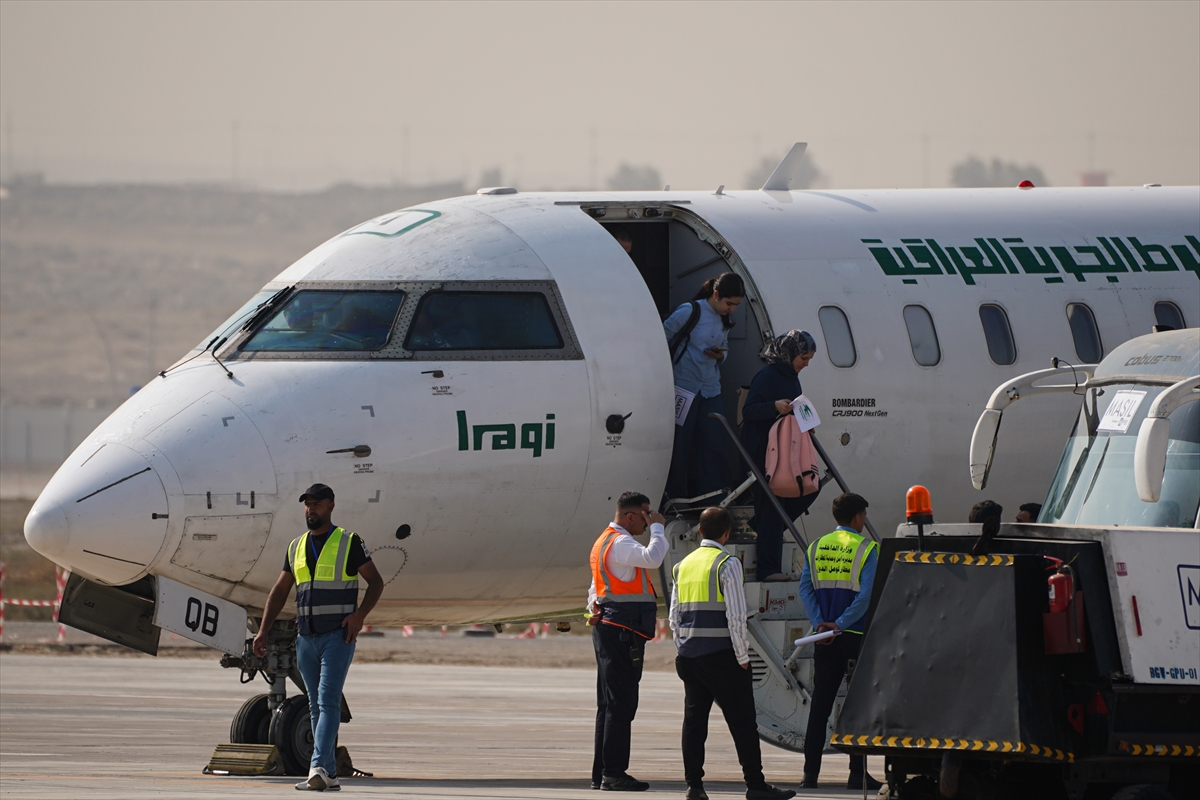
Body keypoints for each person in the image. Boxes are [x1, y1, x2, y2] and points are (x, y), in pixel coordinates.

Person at [253, 484, 384, 792]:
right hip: (306, 638)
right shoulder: (296, 546)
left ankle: (319, 768)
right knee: (315, 705)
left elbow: (376, 582)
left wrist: (360, 615)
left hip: (337, 637)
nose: (311, 509)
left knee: (327, 702)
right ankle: (330, 776)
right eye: (308, 504)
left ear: (331, 506)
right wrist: (263, 631)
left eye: (317, 504)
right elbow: (280, 591)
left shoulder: (349, 542)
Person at [670, 507, 797, 800]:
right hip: (722, 657)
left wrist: (683, 648)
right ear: (727, 533)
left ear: (699, 531)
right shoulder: (726, 564)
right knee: (742, 723)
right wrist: (742, 657)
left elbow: (674, 617)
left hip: (690, 656)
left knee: (694, 723)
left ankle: (694, 786)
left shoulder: (682, 565)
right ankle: (755, 784)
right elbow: (736, 616)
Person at [797, 493, 881, 791]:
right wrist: (841, 625)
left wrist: (823, 624)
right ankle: (857, 773)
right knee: (856, 705)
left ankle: (810, 775)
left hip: (825, 639)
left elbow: (805, 589)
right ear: (859, 516)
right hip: (854, 635)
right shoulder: (867, 548)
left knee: (821, 705)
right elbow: (867, 594)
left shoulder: (815, 547)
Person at [588, 492, 668, 791]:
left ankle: (603, 773)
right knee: (621, 704)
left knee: (608, 704)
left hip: (610, 628)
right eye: (646, 515)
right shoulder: (621, 543)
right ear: (631, 516)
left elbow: (596, 586)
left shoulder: (603, 541)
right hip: (621, 631)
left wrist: (593, 609)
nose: (648, 522)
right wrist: (660, 527)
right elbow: (654, 558)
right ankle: (614, 773)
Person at [741, 330, 821, 581]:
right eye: (804, 358)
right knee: (773, 508)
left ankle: (766, 530)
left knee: (810, 488)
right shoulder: (767, 376)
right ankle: (767, 569)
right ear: (790, 354)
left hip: (787, 451)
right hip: (764, 452)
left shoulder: (791, 377)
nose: (806, 364)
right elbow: (749, 410)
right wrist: (773, 407)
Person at [663, 272, 746, 502]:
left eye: (736, 305)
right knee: (679, 446)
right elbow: (663, 336)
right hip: (684, 388)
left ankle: (714, 497)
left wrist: (720, 355)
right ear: (716, 295)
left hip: (711, 389)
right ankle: (676, 498)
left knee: (715, 445)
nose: (731, 309)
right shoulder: (690, 311)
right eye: (729, 303)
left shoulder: (723, 319)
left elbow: (725, 346)